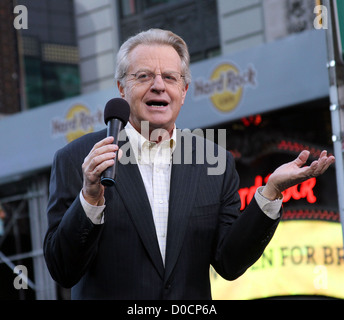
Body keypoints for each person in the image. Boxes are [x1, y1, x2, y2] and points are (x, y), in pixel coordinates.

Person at [43, 29, 335, 300]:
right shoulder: (78, 159)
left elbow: (229, 263)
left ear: (183, 92)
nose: (158, 86)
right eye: (144, 76)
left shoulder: (216, 163)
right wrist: (90, 199)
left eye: (170, 78)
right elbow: (63, 270)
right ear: (121, 88)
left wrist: (270, 192)